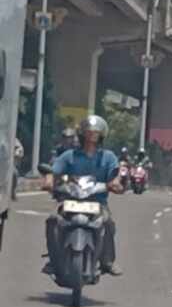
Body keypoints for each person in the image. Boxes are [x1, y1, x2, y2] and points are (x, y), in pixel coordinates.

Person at [42, 115, 123, 276]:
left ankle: (107, 261)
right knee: (52, 220)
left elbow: (115, 175)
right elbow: (54, 170)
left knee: (108, 223)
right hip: (69, 199)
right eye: (89, 131)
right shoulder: (69, 155)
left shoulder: (108, 157)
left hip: (97, 202)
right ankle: (54, 259)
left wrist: (116, 183)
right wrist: (49, 180)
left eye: (96, 132)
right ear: (82, 134)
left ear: (101, 135)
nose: (92, 135)